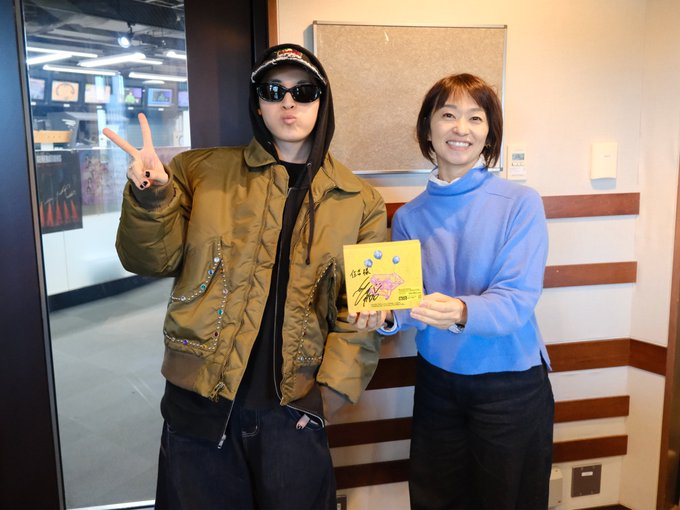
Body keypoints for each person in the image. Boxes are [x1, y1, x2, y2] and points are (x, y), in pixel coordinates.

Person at [103, 44, 387, 509]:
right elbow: (149, 260)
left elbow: (362, 314)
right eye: (274, 91)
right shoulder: (201, 172)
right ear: (258, 103)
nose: (289, 102)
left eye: (304, 91)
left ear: (323, 101)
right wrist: (152, 196)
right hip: (199, 401)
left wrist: (329, 397)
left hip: (295, 408)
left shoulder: (359, 199)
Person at [379, 73, 554, 509]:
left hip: (510, 384)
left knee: (508, 500)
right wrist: (385, 316)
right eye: (448, 115)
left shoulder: (521, 203)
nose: (461, 128)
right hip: (437, 382)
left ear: (489, 134)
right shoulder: (409, 217)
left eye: (476, 118)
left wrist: (459, 310)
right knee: (435, 498)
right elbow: (407, 301)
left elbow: (516, 301)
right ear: (428, 128)